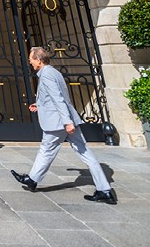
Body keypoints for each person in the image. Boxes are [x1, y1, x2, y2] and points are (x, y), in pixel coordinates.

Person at [10, 46, 117, 205]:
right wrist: (40, 105)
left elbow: (59, 99)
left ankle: (32, 179)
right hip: (64, 120)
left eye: (31, 59)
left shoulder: (46, 75)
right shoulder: (54, 72)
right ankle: (105, 190)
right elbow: (55, 97)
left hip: (58, 123)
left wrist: (67, 122)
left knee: (46, 150)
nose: (30, 62)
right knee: (85, 152)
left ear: (39, 60)